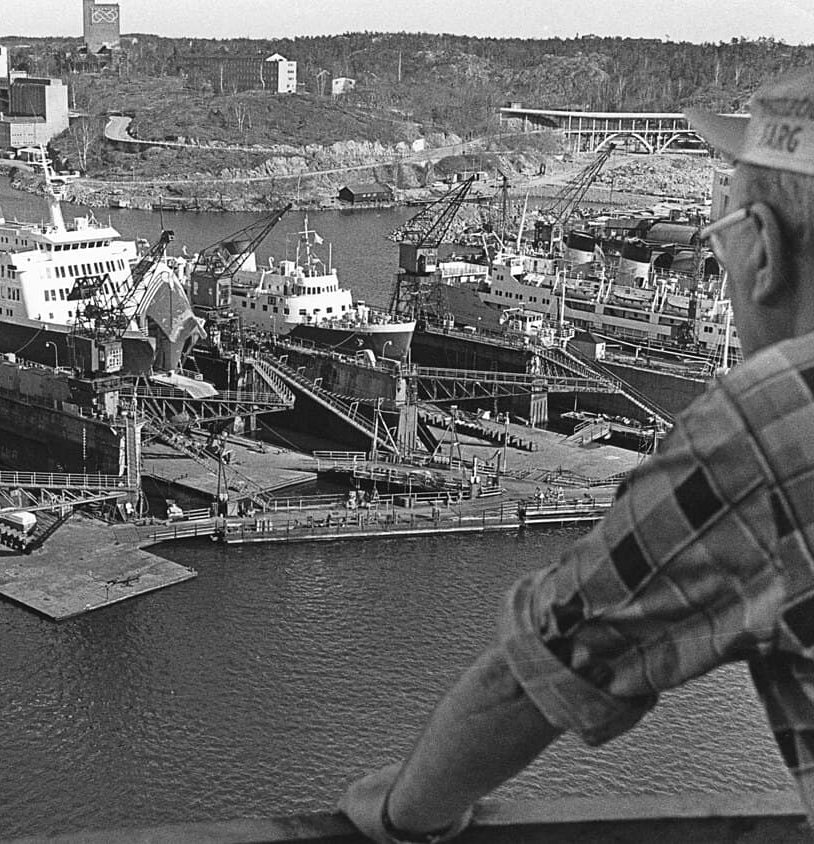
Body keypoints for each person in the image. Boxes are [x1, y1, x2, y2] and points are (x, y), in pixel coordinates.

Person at [339, 68, 814, 842]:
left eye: (719, 237)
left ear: (760, 246)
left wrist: (403, 811)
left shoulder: (779, 422)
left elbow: (534, 674)